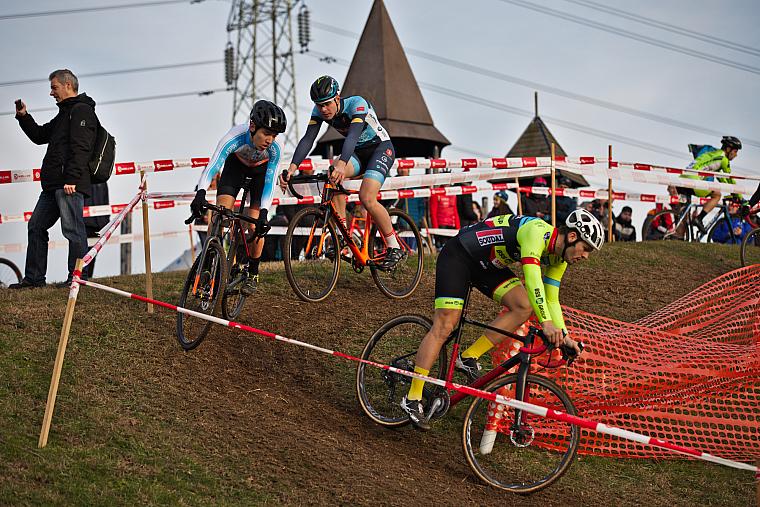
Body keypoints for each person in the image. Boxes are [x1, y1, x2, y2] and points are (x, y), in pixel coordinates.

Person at [400, 209, 603, 430]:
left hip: (488, 265)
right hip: (460, 255)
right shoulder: (536, 232)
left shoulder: (559, 259)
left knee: (523, 306)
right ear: (572, 236)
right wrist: (546, 323)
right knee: (445, 326)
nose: (586, 256)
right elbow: (533, 281)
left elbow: (551, 299)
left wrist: (564, 336)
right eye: (586, 248)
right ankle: (412, 397)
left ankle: (468, 357)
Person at [280, 75, 403, 269]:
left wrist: (341, 164)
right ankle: (342, 236)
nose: (323, 109)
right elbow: (308, 139)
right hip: (358, 153)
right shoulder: (319, 111)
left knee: (366, 197)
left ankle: (394, 246)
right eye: (319, 105)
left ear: (337, 98)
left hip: (380, 149)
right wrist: (292, 169)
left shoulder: (357, 104)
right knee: (332, 178)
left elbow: (352, 136)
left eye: (327, 104)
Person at [189, 99, 286, 296]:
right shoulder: (235, 136)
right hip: (236, 168)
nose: (270, 140)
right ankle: (209, 262)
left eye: (274, 135)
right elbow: (214, 165)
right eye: (266, 133)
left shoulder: (276, 148)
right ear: (253, 126)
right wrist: (201, 192)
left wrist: (264, 213)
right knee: (220, 215)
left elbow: (270, 182)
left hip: (260, 174)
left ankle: (253, 273)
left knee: (255, 226)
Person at [10, 69, 96, 289]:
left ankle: (77, 278)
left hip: (69, 184)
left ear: (68, 85)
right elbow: (40, 136)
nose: (51, 93)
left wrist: (72, 179)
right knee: (36, 226)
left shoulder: (81, 111)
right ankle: (34, 279)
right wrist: (24, 116)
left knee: (73, 230)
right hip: (52, 186)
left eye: (54, 87)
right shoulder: (64, 114)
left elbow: (82, 148)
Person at [674, 136, 742, 234]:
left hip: (682, 180)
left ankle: (678, 236)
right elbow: (730, 179)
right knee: (717, 195)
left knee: (684, 210)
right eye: (735, 151)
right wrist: (740, 196)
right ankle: (699, 218)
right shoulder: (724, 159)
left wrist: (733, 192)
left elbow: (721, 178)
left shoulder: (714, 155)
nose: (736, 155)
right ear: (728, 149)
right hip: (693, 181)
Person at [82, 182, 110, 279]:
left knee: (92, 253)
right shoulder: (82, 180)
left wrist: (106, 221)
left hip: (98, 223)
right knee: (82, 251)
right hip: (86, 222)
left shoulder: (102, 181)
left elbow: (105, 200)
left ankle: (87, 277)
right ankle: (82, 276)